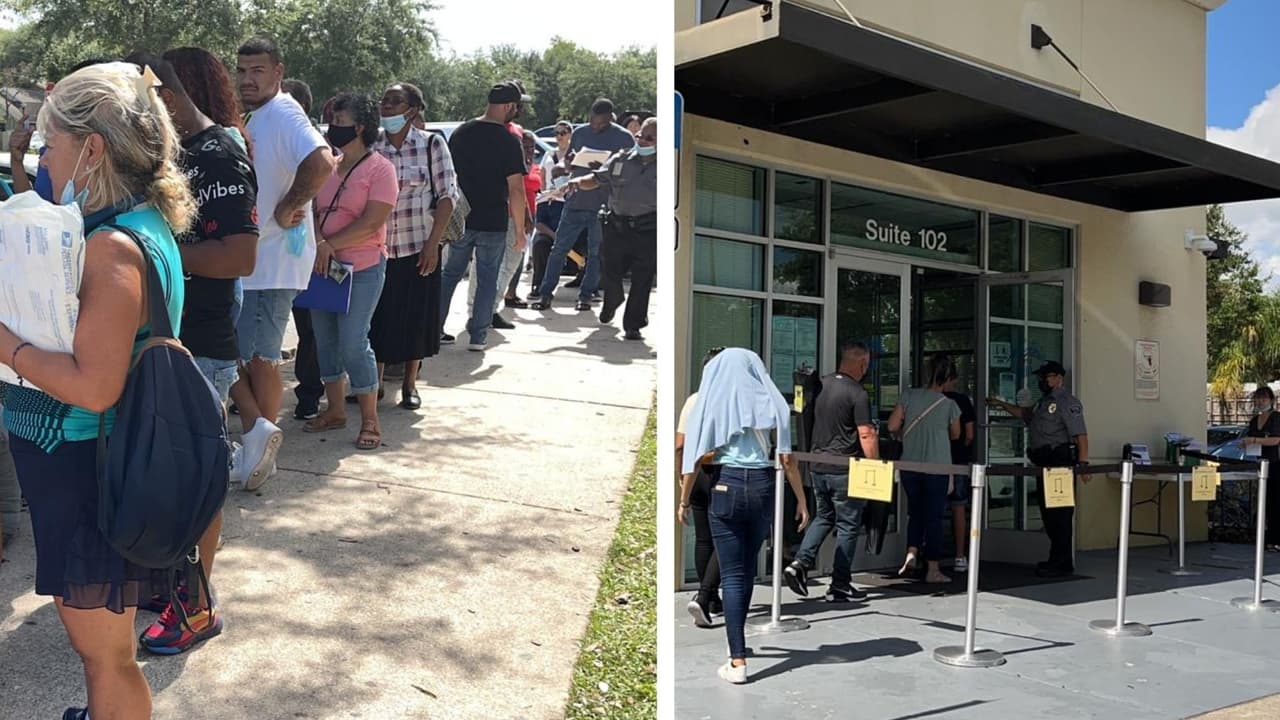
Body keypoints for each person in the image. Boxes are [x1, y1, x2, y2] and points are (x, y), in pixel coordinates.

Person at [0, 61, 197, 720]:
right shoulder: (137, 221)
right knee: (104, 652)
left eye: (49, 143)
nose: (42, 159)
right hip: (95, 462)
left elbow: (94, 387)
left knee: (105, 656)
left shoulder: (112, 245)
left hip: (86, 465)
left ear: (91, 149)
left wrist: (6, 345)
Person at [130, 51, 259, 656]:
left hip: (199, 347)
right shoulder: (171, 153)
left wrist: (148, 252)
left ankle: (197, 606)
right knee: (163, 478)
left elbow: (239, 256)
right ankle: (172, 587)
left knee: (195, 482)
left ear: (165, 98)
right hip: (162, 341)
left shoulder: (217, 154)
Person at [233, 36, 337, 489]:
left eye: (257, 70)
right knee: (245, 355)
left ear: (278, 72)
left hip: (272, 260)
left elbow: (322, 161)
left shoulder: (285, 112)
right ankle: (257, 438)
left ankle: (262, 447)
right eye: (242, 71)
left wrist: (289, 205)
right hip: (256, 261)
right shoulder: (259, 115)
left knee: (261, 358)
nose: (247, 79)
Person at [677, 348, 810, 685]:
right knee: (746, 570)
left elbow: (693, 457)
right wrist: (801, 499)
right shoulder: (771, 402)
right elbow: (787, 458)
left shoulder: (711, 401)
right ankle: (738, 646)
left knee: (733, 575)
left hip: (727, 484)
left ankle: (737, 658)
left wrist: (683, 499)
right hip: (763, 487)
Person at [303, 93, 396, 450]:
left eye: (339, 121)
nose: (332, 128)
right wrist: (319, 243)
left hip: (364, 266)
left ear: (360, 127)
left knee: (354, 341)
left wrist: (329, 244)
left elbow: (373, 221)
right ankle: (335, 410)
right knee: (325, 340)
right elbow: (311, 210)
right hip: (324, 266)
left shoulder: (381, 170)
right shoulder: (327, 165)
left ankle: (370, 419)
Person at [369, 82, 456, 410]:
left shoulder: (432, 144)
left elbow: (447, 196)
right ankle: (375, 382)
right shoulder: (372, 144)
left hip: (419, 247)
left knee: (415, 319)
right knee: (377, 317)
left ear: (412, 110)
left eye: (395, 101)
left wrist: (433, 244)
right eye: (384, 100)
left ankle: (409, 384)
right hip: (376, 248)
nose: (387, 106)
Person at [783, 342, 877, 602]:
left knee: (824, 516)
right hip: (845, 468)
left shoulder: (819, 386)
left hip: (817, 465)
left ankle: (800, 562)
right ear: (862, 363)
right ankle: (840, 584)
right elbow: (866, 434)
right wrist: (874, 466)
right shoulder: (857, 393)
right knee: (848, 525)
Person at [440, 81, 529, 352]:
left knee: (449, 275)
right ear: (508, 106)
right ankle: (478, 336)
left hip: (461, 218)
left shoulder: (461, 133)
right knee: (487, 279)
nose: (517, 111)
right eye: (516, 106)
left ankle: (433, 329)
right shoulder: (509, 141)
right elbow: (516, 189)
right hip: (493, 220)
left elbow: (447, 177)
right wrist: (520, 230)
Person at [986, 360, 1090, 577]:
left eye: (1047, 377)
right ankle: (1056, 559)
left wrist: (1083, 464)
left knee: (1060, 516)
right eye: (1041, 377)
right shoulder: (1042, 403)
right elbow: (1024, 414)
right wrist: (999, 403)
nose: (1043, 381)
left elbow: (1080, 434)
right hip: (1045, 465)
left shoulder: (1066, 402)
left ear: (1059, 378)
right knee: (1048, 514)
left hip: (1060, 466)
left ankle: (1062, 562)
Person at [533, 98, 635, 312]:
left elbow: (629, 171)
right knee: (559, 249)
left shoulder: (624, 138)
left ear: (610, 119)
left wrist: (606, 168)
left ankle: (587, 295)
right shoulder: (580, 133)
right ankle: (545, 293)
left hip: (603, 205)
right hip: (575, 201)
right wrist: (564, 166)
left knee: (596, 253)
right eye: (593, 122)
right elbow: (568, 160)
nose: (596, 126)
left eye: (602, 123)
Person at [560, 117, 656, 341]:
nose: (642, 141)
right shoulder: (621, 159)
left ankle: (633, 325)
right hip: (617, 225)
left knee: (642, 278)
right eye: (640, 136)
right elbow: (596, 179)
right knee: (609, 270)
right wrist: (576, 182)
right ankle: (612, 300)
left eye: (649, 138)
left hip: (648, 228)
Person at [466, 81, 534, 332]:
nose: (519, 109)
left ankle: (487, 309)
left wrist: (525, 212)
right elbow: (513, 184)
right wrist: (522, 216)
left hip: (507, 208)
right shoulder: (500, 133)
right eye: (517, 105)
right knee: (491, 265)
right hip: (497, 210)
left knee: (503, 262)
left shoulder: (514, 132)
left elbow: (520, 182)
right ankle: (479, 311)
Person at [889, 354, 961, 584]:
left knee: (916, 512)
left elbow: (892, 425)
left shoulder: (909, 395)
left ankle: (911, 554)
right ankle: (933, 568)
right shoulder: (950, 405)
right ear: (947, 378)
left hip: (909, 465)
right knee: (934, 517)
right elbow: (956, 434)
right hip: (937, 466)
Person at [281, 77, 325, 420]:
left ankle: (309, 393)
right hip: (270, 249)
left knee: (310, 328)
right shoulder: (262, 135)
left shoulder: (316, 148)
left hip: (305, 249)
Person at [676, 346, 726, 627]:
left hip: (695, 475)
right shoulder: (729, 402)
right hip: (720, 473)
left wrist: (682, 478)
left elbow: (680, 445)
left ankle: (711, 597)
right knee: (725, 537)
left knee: (704, 538)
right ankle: (707, 595)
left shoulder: (693, 400)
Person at [944, 374, 977, 571]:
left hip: (934, 461)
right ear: (954, 379)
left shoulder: (930, 398)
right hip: (958, 460)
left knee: (932, 508)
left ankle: (928, 554)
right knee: (958, 507)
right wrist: (962, 448)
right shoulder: (962, 401)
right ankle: (959, 556)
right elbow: (970, 434)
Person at [1241, 387, 1280, 551]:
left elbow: (1276, 440)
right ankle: (1264, 538)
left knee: (1275, 502)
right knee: (1264, 502)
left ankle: (1275, 540)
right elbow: (1250, 438)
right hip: (1259, 462)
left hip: (1276, 463)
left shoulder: (1276, 417)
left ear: (1271, 400)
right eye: (1257, 398)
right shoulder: (1254, 420)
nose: (1260, 402)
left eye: (1264, 399)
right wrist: (1246, 443)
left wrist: (1255, 440)